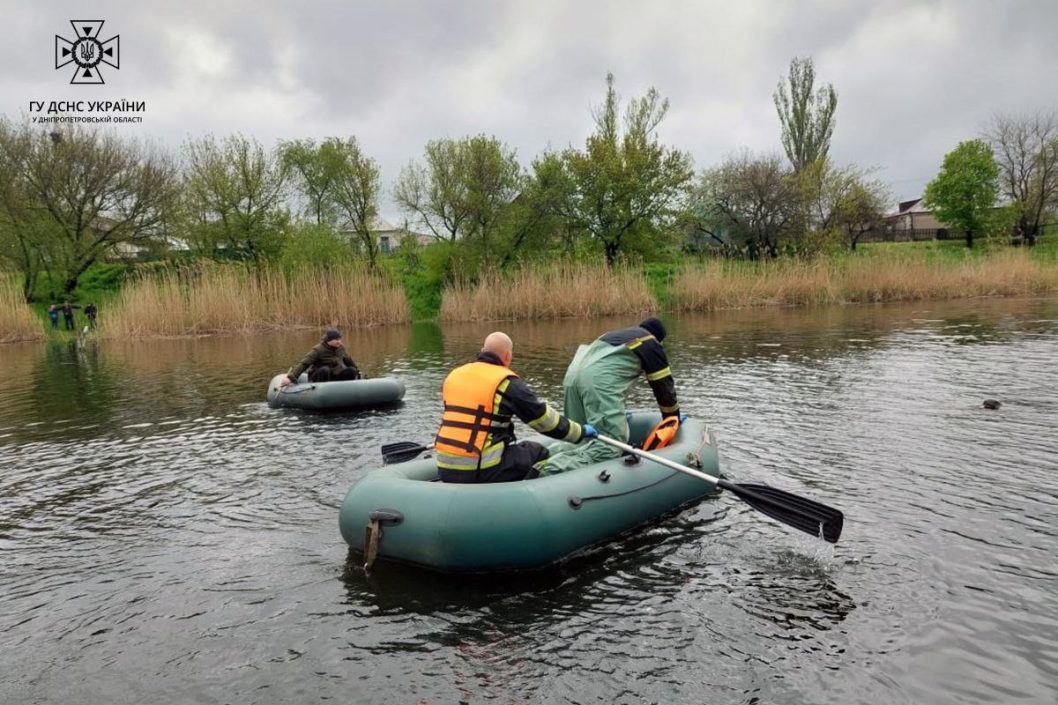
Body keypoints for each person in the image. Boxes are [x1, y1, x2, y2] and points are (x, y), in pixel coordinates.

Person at [434, 331, 598, 484]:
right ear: (507, 356)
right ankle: (528, 493)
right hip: (481, 469)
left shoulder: (454, 376)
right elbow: (545, 421)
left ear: (483, 351)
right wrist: (580, 432)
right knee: (536, 451)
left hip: (444, 465)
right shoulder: (506, 383)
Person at [542, 317, 681, 474]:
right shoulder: (651, 343)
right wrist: (673, 418)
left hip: (572, 378)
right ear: (659, 339)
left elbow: (613, 371)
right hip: (597, 382)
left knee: (579, 438)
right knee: (611, 446)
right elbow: (664, 388)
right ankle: (547, 471)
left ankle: (540, 458)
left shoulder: (615, 335)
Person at [279, 329, 361, 387]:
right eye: (336, 340)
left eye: (340, 339)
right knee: (325, 369)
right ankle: (321, 391)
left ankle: (346, 391)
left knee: (351, 370)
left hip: (335, 375)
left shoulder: (341, 348)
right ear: (329, 340)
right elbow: (304, 364)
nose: (339, 342)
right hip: (320, 376)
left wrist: (358, 372)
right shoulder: (318, 350)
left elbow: (348, 360)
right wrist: (291, 378)